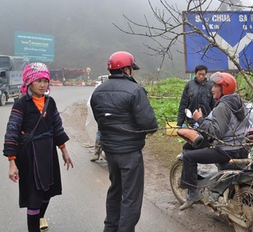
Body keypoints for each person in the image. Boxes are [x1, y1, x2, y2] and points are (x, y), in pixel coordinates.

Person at [90, 51, 158, 231]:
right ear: (127, 69)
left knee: (115, 190)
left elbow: (100, 120)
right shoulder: (135, 90)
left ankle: (110, 228)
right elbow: (149, 123)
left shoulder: (97, 92)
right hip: (130, 152)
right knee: (131, 197)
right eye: (132, 68)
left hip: (110, 151)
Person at [3, 62, 73, 232]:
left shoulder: (51, 102)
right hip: (29, 155)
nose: (43, 85)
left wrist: (64, 149)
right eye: (39, 81)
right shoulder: (22, 104)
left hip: (48, 153)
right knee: (34, 195)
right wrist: (12, 162)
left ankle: (40, 216)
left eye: (45, 81)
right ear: (29, 82)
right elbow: (12, 131)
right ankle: (33, 227)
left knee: (47, 192)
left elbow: (57, 126)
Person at [179, 72, 249, 211]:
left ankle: (193, 194)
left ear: (224, 88)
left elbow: (216, 133)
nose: (212, 89)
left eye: (216, 86)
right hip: (240, 148)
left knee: (188, 157)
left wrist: (200, 119)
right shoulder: (240, 104)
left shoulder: (223, 106)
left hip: (226, 150)